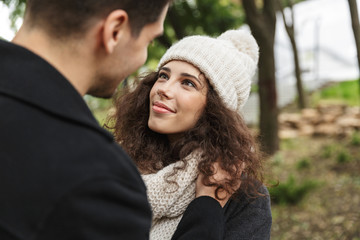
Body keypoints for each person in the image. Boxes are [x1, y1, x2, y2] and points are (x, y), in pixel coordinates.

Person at [0, 1, 225, 239]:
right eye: (149, 41)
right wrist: (207, 211)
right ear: (114, 31)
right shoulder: (98, 182)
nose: (143, 58)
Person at [109, 29, 272, 239]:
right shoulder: (116, 166)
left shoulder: (243, 197)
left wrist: (207, 203)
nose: (164, 89)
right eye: (163, 76)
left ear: (215, 108)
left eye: (188, 83)